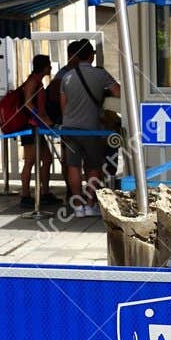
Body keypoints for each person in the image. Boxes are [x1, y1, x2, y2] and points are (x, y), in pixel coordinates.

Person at [57, 39, 119, 218]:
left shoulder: (66, 76)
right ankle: (90, 204)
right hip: (91, 129)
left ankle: (77, 206)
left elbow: (63, 105)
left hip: (69, 129)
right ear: (91, 55)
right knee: (93, 167)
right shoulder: (100, 75)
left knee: (73, 167)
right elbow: (120, 93)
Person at [19, 54, 56, 210]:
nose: (51, 67)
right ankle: (25, 195)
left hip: (37, 127)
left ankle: (45, 192)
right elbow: (27, 103)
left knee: (47, 159)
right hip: (30, 127)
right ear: (44, 66)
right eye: (49, 65)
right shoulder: (32, 82)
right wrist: (41, 118)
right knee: (30, 161)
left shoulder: (37, 81)